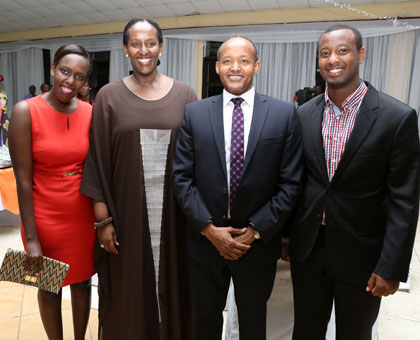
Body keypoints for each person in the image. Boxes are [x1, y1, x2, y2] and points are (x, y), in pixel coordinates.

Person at [290, 24, 420, 340]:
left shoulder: (397, 117)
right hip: (309, 251)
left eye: (342, 50)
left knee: (355, 334)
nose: (332, 59)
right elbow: (298, 182)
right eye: (325, 53)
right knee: (305, 332)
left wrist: (391, 267)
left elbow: (404, 200)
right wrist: (286, 239)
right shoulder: (304, 114)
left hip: (362, 255)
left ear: (360, 54)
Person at [173, 36, 303, 340]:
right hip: (205, 244)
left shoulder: (283, 115)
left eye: (244, 60)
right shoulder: (195, 113)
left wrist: (254, 230)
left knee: (253, 325)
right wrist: (209, 228)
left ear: (256, 66)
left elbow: (291, 183)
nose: (235, 67)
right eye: (228, 61)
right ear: (217, 68)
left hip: (256, 246)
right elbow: (181, 178)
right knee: (203, 324)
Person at [80, 18, 197, 340]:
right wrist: (103, 222)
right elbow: (98, 160)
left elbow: (198, 158)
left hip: (176, 220)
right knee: (128, 291)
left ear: (161, 47)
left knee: (176, 287)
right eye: (135, 44)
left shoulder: (186, 95)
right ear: (125, 49)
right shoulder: (108, 96)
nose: (143, 50)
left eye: (150, 43)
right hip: (126, 219)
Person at [9, 44, 96, 340]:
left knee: (83, 283)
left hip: (82, 216)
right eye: (65, 71)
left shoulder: (89, 112)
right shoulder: (26, 111)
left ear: (86, 83)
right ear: (52, 69)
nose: (70, 81)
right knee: (49, 286)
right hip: (43, 217)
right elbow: (22, 180)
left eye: (80, 77)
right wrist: (31, 239)